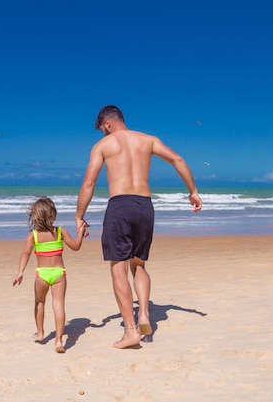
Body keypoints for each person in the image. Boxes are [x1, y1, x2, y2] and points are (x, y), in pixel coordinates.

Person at [75, 105, 203, 349]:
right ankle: (143, 313)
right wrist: (193, 192)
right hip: (145, 206)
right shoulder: (148, 140)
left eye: (102, 129)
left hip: (120, 205)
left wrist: (79, 215)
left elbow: (89, 183)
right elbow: (177, 159)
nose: (103, 134)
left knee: (118, 267)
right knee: (139, 264)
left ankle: (131, 330)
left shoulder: (104, 145)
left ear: (107, 123)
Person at [13, 196, 87, 353]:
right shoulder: (60, 232)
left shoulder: (33, 236)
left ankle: (40, 333)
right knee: (58, 306)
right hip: (59, 274)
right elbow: (76, 246)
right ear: (52, 216)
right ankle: (59, 341)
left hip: (42, 275)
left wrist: (20, 272)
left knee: (39, 302)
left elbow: (25, 254)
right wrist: (80, 233)